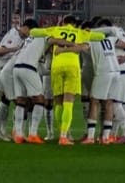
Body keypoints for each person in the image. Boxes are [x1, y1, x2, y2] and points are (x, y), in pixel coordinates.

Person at [29, 15, 108, 144]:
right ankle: (64, 136)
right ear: (74, 24)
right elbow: (101, 37)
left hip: (57, 66)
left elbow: (33, 32)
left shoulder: (56, 29)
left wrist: (54, 38)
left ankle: (61, 133)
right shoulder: (79, 32)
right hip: (72, 66)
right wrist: (89, 33)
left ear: (64, 22)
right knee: (68, 103)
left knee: (58, 102)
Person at [8, 18, 51, 143]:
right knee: (39, 99)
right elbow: (52, 41)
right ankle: (33, 134)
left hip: (17, 68)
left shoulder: (29, 38)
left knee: (21, 100)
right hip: (28, 67)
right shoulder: (44, 35)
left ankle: (19, 134)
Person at [0, 16, 26, 141]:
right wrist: (15, 49)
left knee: (7, 100)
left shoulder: (24, 39)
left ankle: (1, 130)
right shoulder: (13, 35)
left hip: (5, 69)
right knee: (5, 99)